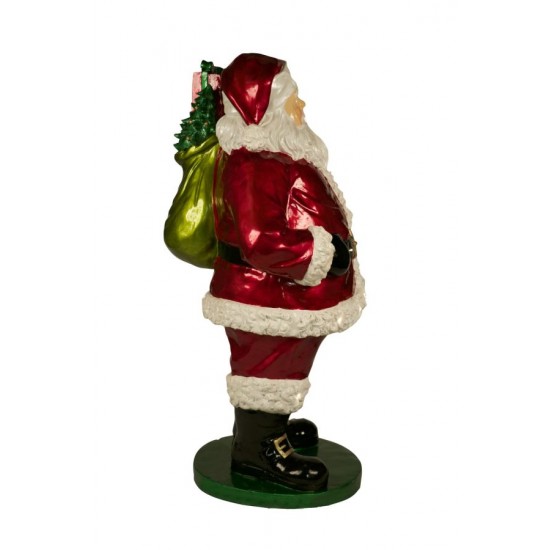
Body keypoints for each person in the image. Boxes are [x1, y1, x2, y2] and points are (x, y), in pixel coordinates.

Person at [201, 53, 366, 491]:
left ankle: (269, 427)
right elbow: (259, 240)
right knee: (266, 367)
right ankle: (257, 449)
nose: (301, 105)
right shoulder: (255, 165)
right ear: (267, 110)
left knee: (285, 364)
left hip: (286, 296)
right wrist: (320, 254)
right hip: (267, 296)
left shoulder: (277, 156)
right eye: (292, 97)